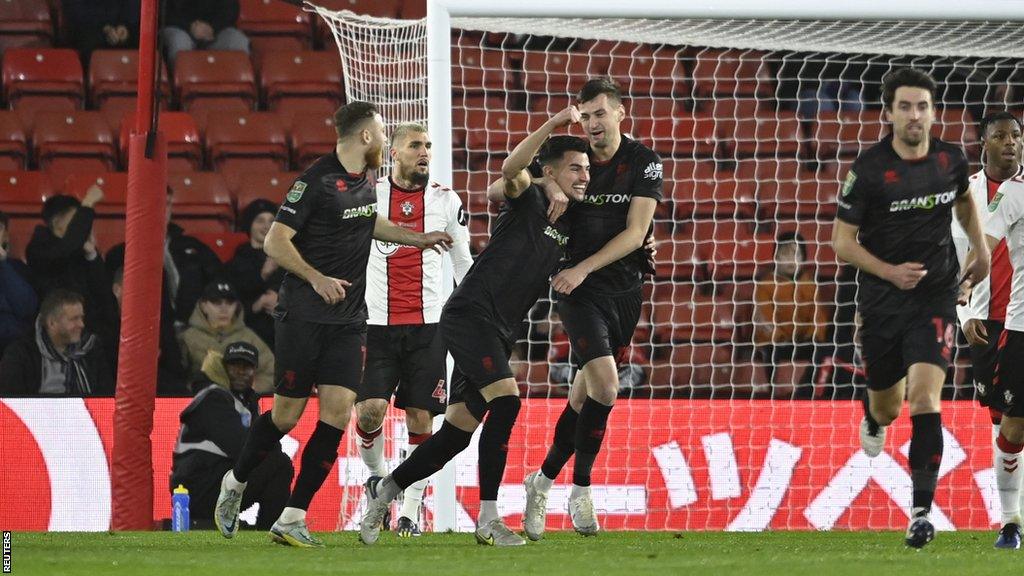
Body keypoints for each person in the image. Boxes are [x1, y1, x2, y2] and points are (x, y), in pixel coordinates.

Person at [212, 101, 452, 548]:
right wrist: (315, 277)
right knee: (285, 417)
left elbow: (369, 222)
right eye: (383, 133)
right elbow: (274, 240)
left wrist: (418, 239)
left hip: (349, 321)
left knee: (339, 414)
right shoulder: (316, 182)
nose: (385, 140)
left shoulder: (365, 182)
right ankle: (235, 481)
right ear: (365, 137)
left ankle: (293, 516)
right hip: (303, 317)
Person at [359, 109, 589, 547]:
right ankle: (489, 518)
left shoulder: (574, 221)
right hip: (469, 314)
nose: (583, 175)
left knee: (456, 433)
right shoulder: (531, 196)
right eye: (575, 168)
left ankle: (385, 489)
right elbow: (507, 174)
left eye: (587, 169)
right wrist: (553, 130)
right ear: (552, 169)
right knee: (507, 402)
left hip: (501, 327)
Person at [831, 67, 990, 548]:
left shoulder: (950, 160)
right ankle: (874, 417)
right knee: (890, 403)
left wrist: (979, 251)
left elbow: (963, 202)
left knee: (925, 398)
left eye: (922, 106)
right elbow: (841, 241)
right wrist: (888, 272)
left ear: (933, 111)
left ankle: (921, 512)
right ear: (888, 112)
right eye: (905, 106)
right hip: (882, 299)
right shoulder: (869, 170)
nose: (915, 115)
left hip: (935, 294)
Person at [522, 78, 662, 541]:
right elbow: (520, 172)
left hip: (624, 290)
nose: (593, 123)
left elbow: (636, 232)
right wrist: (546, 181)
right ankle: (581, 490)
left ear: (621, 113)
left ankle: (541, 482)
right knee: (606, 386)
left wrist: (588, 267)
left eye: (601, 113)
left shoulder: (643, 162)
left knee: (583, 398)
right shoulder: (572, 158)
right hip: (575, 289)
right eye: (586, 115)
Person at [354, 122, 473, 537]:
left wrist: (473, 311)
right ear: (395, 154)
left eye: (428, 145)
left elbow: (462, 262)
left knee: (421, 419)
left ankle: (409, 508)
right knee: (369, 412)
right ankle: (376, 477)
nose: (424, 152)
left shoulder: (446, 199)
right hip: (376, 324)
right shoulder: (370, 197)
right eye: (415, 145)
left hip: (428, 327)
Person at [953, 111, 1023, 548]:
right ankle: (1010, 516)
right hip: (983, 320)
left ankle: (1010, 522)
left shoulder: (1017, 190)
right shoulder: (967, 195)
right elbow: (964, 251)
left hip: (1019, 320)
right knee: (1003, 420)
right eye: (1001, 136)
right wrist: (961, 310)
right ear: (984, 143)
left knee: (1015, 424)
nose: (1011, 143)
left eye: (1017, 135)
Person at [171, 341, 293, 531]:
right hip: (196, 488)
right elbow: (241, 446)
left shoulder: (244, 403)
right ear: (224, 368)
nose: (241, 371)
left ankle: (268, 530)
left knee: (276, 462)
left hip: (212, 481)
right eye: (235, 365)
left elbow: (255, 446)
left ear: (255, 371)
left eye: (247, 366)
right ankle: (270, 531)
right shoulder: (214, 398)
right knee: (278, 464)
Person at [106, 186, 223, 329]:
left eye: (167, 204)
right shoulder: (120, 254)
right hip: (147, 331)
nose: (162, 209)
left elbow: (219, 279)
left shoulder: (192, 246)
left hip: (196, 329)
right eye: (156, 204)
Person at [26, 188, 116, 336]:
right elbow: (65, 249)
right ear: (57, 222)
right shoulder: (39, 248)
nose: (82, 225)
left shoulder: (81, 251)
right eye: (76, 219)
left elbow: (103, 294)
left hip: (90, 332)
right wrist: (87, 204)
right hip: (56, 332)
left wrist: (92, 255)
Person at [753, 231, 828, 397]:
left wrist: (814, 335)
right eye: (784, 254)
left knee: (822, 350)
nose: (790, 259)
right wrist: (778, 337)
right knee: (770, 353)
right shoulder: (766, 285)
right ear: (776, 257)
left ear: (803, 258)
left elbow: (818, 316)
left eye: (795, 254)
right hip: (776, 343)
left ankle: (810, 392)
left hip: (804, 341)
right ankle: (773, 394)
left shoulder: (810, 284)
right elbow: (764, 318)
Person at [0, 289, 113, 396]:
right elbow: (11, 402)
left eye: (81, 318)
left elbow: (106, 396)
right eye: (74, 319)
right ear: (52, 323)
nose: (81, 324)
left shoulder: (91, 349)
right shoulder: (21, 354)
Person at [180, 280, 274, 394]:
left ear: (237, 306)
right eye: (216, 302)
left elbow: (271, 372)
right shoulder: (187, 338)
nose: (224, 309)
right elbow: (176, 375)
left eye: (229, 303)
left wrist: (251, 389)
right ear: (203, 306)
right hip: (200, 403)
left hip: (240, 407)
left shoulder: (249, 337)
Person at [110, 266, 188, 395]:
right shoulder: (106, 329)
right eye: (135, 287)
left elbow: (176, 373)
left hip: (161, 399)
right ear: (117, 290)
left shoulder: (160, 327)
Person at [226, 199, 284, 347]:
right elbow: (232, 297)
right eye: (260, 221)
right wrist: (262, 276)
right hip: (250, 331)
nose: (266, 226)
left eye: (272, 221)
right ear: (249, 225)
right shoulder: (238, 260)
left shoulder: (288, 256)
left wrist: (281, 301)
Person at [161, 0, 249, 65]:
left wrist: (212, 28)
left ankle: (232, 88)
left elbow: (232, 9)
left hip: (214, 30)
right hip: (179, 27)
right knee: (179, 41)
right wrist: (190, 27)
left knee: (238, 41)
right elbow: (164, 12)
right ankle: (180, 85)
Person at [0, 211, 37, 358]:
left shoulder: (17, 268)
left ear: (6, 236)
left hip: (13, 351)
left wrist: (3, 264)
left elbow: (27, 307)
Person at [61, 0, 140, 61]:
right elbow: (75, 13)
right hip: (88, 30)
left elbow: (133, 9)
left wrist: (125, 27)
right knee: (88, 41)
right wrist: (106, 28)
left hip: (121, 30)